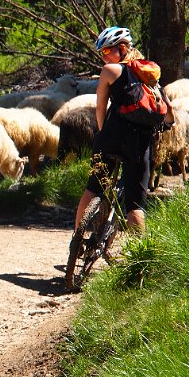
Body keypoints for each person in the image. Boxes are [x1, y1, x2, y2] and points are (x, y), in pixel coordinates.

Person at [74, 26, 174, 234]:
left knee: (94, 188)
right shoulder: (149, 73)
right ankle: (138, 261)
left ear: (121, 48)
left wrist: (102, 134)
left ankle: (77, 239)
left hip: (111, 138)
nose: (103, 57)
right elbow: (168, 111)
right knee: (135, 206)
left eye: (106, 51)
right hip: (140, 143)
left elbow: (100, 107)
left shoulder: (111, 71)